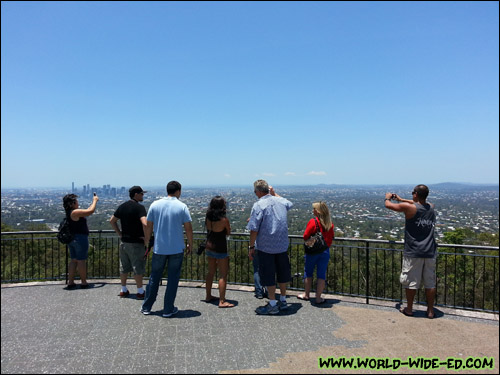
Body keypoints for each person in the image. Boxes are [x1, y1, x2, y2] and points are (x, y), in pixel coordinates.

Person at [141, 181, 193, 318]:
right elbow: (188, 228)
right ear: (178, 191)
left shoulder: (155, 205)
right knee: (173, 279)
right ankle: (168, 309)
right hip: (176, 249)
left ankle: (147, 306)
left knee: (154, 278)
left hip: (159, 249)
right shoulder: (182, 207)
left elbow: (148, 226)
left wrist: (147, 242)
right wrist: (190, 244)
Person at [385, 185, 437, 319]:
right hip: (430, 251)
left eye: (413, 192)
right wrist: (402, 199)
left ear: (415, 194)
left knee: (411, 282)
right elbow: (419, 203)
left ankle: (409, 308)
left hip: (414, 250)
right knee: (430, 283)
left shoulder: (410, 208)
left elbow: (388, 206)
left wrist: (387, 198)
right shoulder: (431, 207)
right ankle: (430, 311)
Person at [247, 180, 293, 315]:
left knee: (269, 276)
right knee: (283, 274)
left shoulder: (258, 205)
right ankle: (283, 300)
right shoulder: (281, 202)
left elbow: (253, 229)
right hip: (282, 246)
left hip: (266, 248)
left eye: (255, 192)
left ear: (259, 191)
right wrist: (274, 193)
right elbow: (289, 204)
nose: (255, 194)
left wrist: (251, 246)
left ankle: (272, 304)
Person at [110, 186, 148, 300]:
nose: (143, 196)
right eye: (141, 194)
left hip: (124, 242)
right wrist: (147, 238)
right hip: (136, 242)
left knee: (124, 266)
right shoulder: (139, 208)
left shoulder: (122, 206)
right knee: (138, 267)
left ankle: (123, 289)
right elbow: (145, 223)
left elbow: (112, 220)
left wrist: (120, 234)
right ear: (136, 194)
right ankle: (140, 291)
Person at [298, 201, 334, 304]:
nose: (312, 210)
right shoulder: (329, 223)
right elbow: (331, 237)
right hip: (325, 251)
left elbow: (305, 235)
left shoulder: (313, 222)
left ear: (318, 211)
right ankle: (318, 298)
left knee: (308, 272)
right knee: (321, 275)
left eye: (314, 209)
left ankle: (306, 294)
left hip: (313, 252)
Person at [62, 193, 99, 289]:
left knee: (74, 260)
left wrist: (93, 201)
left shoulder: (69, 212)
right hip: (80, 238)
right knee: (81, 260)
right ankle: (83, 282)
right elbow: (90, 211)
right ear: (72, 204)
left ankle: (71, 282)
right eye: (76, 201)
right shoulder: (74, 212)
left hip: (72, 239)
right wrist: (95, 200)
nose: (77, 203)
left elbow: (87, 210)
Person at [204, 196, 234, 308]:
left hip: (209, 246)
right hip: (220, 248)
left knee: (210, 272)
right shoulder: (224, 220)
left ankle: (208, 295)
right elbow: (228, 232)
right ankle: (222, 301)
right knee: (222, 275)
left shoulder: (208, 217)